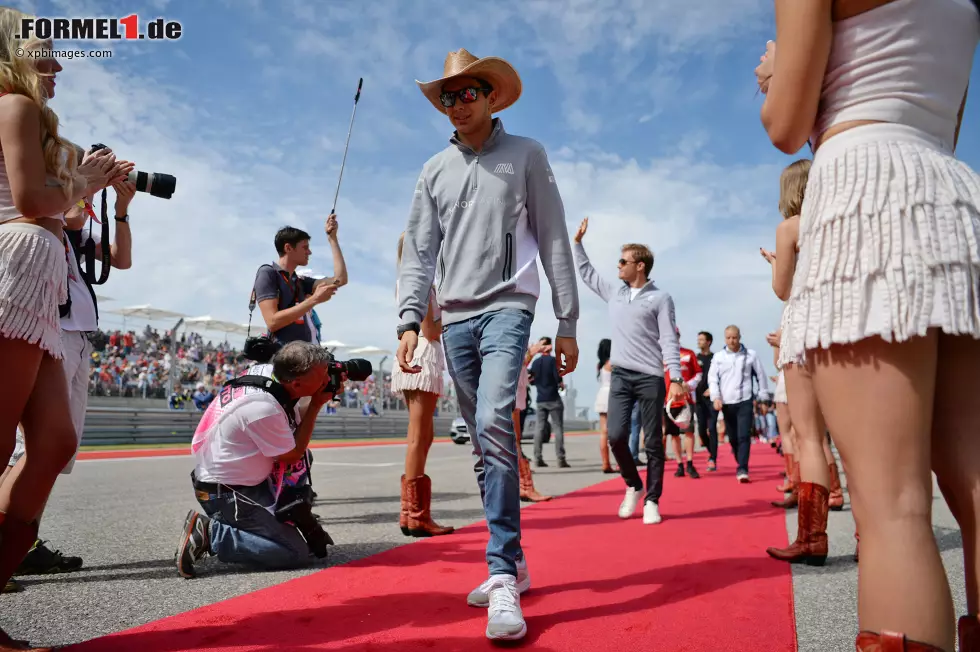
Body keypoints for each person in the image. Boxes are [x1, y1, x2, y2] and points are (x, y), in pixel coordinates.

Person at [756, 1, 980, 647]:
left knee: (893, 508)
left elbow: (787, 124)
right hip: (948, 197)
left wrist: (775, 74)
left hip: (864, 193)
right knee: (973, 485)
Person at [396, 48, 579, 642]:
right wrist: (407, 320)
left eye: (466, 93)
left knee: (497, 420)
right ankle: (516, 561)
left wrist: (568, 320)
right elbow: (419, 252)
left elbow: (553, 237)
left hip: (509, 308)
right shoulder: (431, 170)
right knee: (482, 441)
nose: (456, 105)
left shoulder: (526, 155)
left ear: (491, 95)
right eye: (446, 98)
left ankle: (500, 571)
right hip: (453, 320)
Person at [0, 11, 131, 648]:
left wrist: (89, 189)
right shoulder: (15, 104)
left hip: (41, 286)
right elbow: (31, 200)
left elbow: (51, 205)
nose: (56, 68)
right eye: (44, 55)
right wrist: (86, 181)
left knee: (52, 442)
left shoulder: (25, 115)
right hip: (19, 272)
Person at [2, 176, 136, 587]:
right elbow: (66, 212)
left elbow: (121, 258)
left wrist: (121, 210)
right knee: (26, 446)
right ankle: (13, 543)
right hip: (45, 326)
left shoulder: (73, 227)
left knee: (56, 447)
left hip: (77, 336)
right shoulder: (52, 212)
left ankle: (21, 542)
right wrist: (82, 184)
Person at [175, 341, 340, 578]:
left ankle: (272, 522)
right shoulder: (262, 407)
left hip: (237, 479)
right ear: (296, 383)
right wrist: (315, 404)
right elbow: (292, 452)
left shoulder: (266, 372)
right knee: (293, 552)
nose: (328, 379)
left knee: (305, 462)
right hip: (227, 493)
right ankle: (213, 534)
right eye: (323, 375)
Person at [572, 216, 686, 525]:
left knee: (652, 442)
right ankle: (634, 485)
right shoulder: (615, 293)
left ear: (640, 266)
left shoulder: (660, 298)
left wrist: (675, 377)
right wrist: (578, 244)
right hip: (621, 375)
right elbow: (586, 274)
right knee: (618, 436)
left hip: (650, 376)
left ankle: (652, 499)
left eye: (623, 261)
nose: (618, 265)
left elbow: (668, 339)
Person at [392, 232, 453, 538]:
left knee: (423, 434)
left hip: (420, 353)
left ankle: (412, 513)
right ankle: (415, 515)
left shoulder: (409, 280)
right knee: (419, 435)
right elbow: (431, 329)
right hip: (424, 353)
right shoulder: (420, 282)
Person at [252, 216, 348, 347]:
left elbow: (340, 279)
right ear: (288, 248)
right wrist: (314, 299)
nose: (309, 252)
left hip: (305, 356)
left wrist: (332, 239)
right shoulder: (268, 273)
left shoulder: (299, 281)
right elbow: (272, 322)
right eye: (305, 247)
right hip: (283, 358)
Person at [707, 325, 770, 483]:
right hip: (727, 403)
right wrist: (715, 397)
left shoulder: (750, 355)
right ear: (724, 338)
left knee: (744, 435)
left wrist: (763, 396)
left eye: (734, 337)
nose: (731, 340)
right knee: (733, 437)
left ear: (740, 337)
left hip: (745, 400)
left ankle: (742, 468)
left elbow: (761, 376)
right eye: (728, 337)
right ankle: (739, 459)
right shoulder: (719, 357)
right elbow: (713, 378)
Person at [663, 328, 702, 480]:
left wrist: (689, 385)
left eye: (675, 335)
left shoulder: (688, 353)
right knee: (674, 435)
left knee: (689, 432)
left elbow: (698, 373)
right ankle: (679, 464)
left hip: (686, 400)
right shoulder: (662, 356)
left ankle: (690, 463)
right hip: (669, 402)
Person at [529, 336, 568, 468]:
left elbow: (531, 380)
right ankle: (560, 458)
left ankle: (537, 457)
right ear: (550, 346)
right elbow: (558, 378)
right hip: (553, 399)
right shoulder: (553, 361)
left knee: (539, 428)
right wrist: (561, 383)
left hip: (540, 399)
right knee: (557, 428)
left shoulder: (535, 363)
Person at [694, 331, 719, 471]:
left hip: (712, 398)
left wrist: (713, 390)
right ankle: (711, 451)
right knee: (701, 430)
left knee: (712, 428)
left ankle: (713, 459)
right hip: (698, 400)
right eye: (698, 340)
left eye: (702, 340)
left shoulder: (716, 358)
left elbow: (721, 376)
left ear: (709, 342)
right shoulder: (695, 358)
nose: (699, 342)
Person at [594, 338, 616, 473]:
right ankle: (618, 462)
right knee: (616, 431)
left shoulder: (600, 365)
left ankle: (605, 463)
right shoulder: (612, 363)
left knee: (603, 432)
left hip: (602, 394)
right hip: (612, 395)